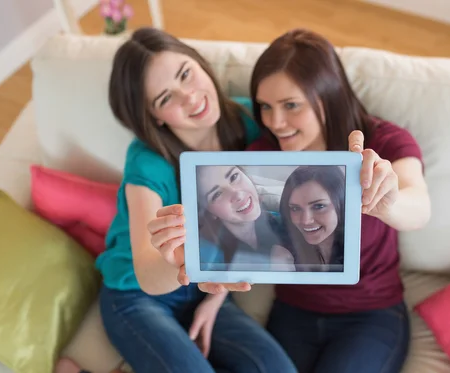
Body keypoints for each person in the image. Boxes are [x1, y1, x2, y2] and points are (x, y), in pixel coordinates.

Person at [148, 28, 431, 373]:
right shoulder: (262, 155)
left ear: (327, 95)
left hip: (370, 314)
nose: (275, 122)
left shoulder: (384, 142)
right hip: (294, 311)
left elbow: (419, 207)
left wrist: (388, 202)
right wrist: (215, 298)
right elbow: (242, 235)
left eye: (291, 106)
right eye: (265, 107)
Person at [86, 27, 296, 373]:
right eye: (165, 98)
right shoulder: (147, 163)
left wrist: (216, 298)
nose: (189, 97)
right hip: (135, 296)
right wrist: (180, 263)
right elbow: (148, 272)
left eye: (186, 74)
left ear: (200, 62)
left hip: (203, 288)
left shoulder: (250, 121)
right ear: (154, 117)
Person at [196, 165, 294, 270]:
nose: (238, 195)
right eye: (217, 194)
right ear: (208, 212)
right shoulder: (205, 258)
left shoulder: (287, 224)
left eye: (234, 177)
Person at [278, 166, 345, 271]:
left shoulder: (362, 249)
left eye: (318, 206)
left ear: (341, 204)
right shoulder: (284, 253)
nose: (305, 220)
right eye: (295, 208)